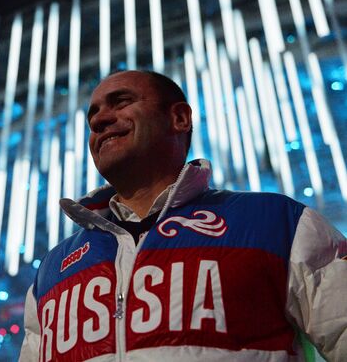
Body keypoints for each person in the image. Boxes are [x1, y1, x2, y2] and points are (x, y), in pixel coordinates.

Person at [19, 70, 347, 361]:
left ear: (179, 118)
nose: (98, 120)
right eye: (93, 114)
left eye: (121, 102)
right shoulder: (51, 270)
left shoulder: (278, 222)